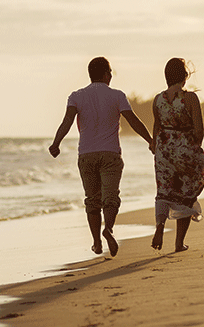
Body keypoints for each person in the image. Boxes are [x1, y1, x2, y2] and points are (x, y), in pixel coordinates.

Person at [49, 57, 153, 257]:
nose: (111, 75)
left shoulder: (76, 96)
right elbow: (133, 120)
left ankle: (97, 243)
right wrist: (150, 140)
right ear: (106, 74)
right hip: (110, 154)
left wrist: (56, 143)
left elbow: (67, 121)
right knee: (111, 198)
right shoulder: (117, 96)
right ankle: (109, 229)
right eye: (110, 72)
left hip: (86, 155)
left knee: (92, 200)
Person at [149, 58, 204, 252]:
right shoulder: (190, 98)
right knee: (186, 192)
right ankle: (178, 243)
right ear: (185, 76)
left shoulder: (158, 100)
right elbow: (199, 130)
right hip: (184, 151)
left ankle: (159, 227)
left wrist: (159, 148)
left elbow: (156, 130)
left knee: (164, 191)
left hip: (164, 151)